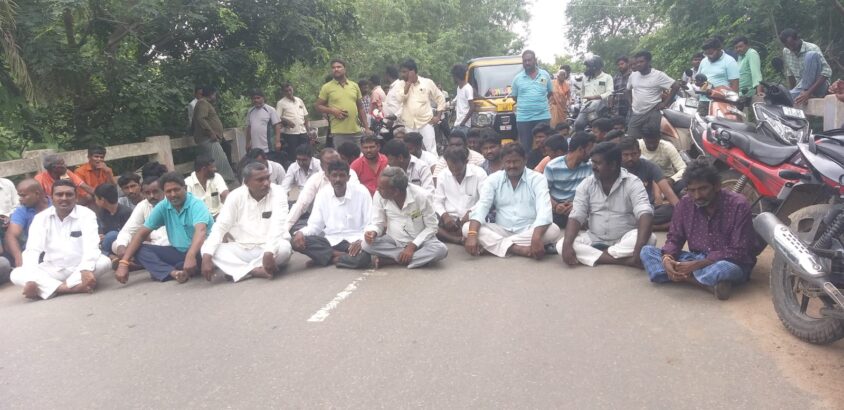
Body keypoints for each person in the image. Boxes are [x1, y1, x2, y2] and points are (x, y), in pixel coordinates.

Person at [640, 160, 757, 300]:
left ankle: (682, 276)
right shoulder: (684, 204)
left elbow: (739, 250)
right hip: (695, 258)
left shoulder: (738, 205)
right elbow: (674, 238)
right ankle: (703, 283)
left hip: (729, 262)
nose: (697, 196)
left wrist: (697, 265)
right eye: (691, 190)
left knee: (724, 270)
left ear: (717, 186)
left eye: (703, 189)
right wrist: (667, 258)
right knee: (647, 251)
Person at [10, 179, 111, 300]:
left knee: (104, 262)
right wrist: (31, 279)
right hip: (53, 269)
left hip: (79, 267)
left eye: (69, 194)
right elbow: (32, 250)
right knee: (16, 274)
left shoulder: (86, 214)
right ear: (52, 197)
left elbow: (92, 245)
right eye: (59, 194)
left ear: (76, 197)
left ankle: (50, 288)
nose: (64, 198)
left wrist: (85, 268)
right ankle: (71, 288)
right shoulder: (40, 218)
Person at [558, 142, 655, 267]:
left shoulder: (633, 183)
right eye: (592, 162)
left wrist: (639, 246)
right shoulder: (586, 184)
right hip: (594, 239)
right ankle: (624, 260)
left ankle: (595, 255)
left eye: (598, 163)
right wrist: (567, 245)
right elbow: (576, 216)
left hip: (624, 238)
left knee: (649, 239)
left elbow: (645, 213)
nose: (593, 167)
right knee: (561, 245)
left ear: (613, 165)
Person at [114, 172, 214, 284]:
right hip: (179, 252)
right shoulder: (163, 206)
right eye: (168, 191)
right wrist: (123, 263)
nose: (173, 194)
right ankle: (174, 273)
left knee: (202, 258)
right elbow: (141, 233)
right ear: (164, 192)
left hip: (202, 251)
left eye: (176, 190)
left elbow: (201, 231)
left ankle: (169, 269)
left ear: (185, 188)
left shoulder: (196, 204)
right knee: (139, 249)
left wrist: (191, 256)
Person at [463, 143, 558, 259]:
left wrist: (536, 237)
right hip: (501, 229)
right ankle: (518, 249)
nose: (512, 165)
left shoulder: (537, 179)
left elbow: (544, 210)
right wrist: (472, 235)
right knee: (467, 228)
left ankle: (494, 246)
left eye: (516, 161)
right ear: (502, 162)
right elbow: (482, 206)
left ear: (525, 160)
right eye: (508, 162)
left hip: (530, 230)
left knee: (553, 230)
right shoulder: (493, 179)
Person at [200, 162, 292, 282]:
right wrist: (207, 257)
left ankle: (237, 270)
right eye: (260, 180)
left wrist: (269, 251)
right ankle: (252, 271)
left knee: (285, 249)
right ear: (246, 182)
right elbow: (220, 227)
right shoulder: (235, 196)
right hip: (243, 248)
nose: (266, 183)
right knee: (207, 249)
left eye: (267, 178)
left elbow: (278, 225)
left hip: (271, 247)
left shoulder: (278, 192)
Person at [362, 167, 448, 268]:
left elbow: (432, 227)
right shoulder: (379, 195)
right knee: (366, 245)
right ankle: (410, 258)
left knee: (441, 250)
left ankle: (391, 260)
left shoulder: (422, 196)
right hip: (394, 240)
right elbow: (378, 222)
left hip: (421, 241)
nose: (377, 190)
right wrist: (373, 232)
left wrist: (413, 245)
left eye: (381, 188)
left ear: (396, 191)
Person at [293, 160, 373, 269]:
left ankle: (326, 258)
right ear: (328, 177)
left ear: (348, 178)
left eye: (342, 176)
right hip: (331, 241)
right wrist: (300, 233)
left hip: (354, 241)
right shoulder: (322, 194)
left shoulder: (361, 192)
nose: (338, 180)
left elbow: (370, 223)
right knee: (295, 240)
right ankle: (338, 256)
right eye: (334, 176)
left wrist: (362, 241)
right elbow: (315, 226)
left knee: (363, 258)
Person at [286, 148, 359, 232]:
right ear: (321, 165)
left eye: (336, 161)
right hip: (319, 221)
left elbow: (355, 200)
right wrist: (285, 230)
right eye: (329, 164)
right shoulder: (316, 178)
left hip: (346, 221)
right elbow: (301, 204)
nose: (334, 165)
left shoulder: (351, 174)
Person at [619, 137, 679, 227]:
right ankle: (654, 227)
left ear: (639, 152)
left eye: (633, 154)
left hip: (647, 209)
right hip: (623, 211)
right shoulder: (615, 168)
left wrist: (682, 212)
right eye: (626, 155)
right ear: (620, 155)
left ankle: (642, 225)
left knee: (672, 210)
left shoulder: (650, 166)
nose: (630, 158)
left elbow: (668, 192)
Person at [433, 146, 487, 244]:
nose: (454, 172)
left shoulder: (479, 173)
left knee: (473, 228)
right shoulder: (442, 175)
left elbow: (485, 200)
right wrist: (445, 216)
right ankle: (455, 239)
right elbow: (437, 202)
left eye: (458, 169)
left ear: (466, 162)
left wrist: (470, 213)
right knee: (428, 222)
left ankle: (451, 236)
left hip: (471, 219)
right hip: (448, 220)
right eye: (451, 168)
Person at [316, 59, 373, 148]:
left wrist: (367, 128)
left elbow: (360, 108)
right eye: (333, 67)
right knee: (343, 159)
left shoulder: (354, 85)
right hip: (339, 132)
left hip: (356, 131)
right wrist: (332, 110)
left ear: (345, 69)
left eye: (339, 67)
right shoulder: (327, 87)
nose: (336, 69)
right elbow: (318, 106)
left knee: (359, 159)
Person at [626, 51, 680, 138]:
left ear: (648, 62)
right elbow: (628, 90)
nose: (638, 64)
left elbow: (676, 85)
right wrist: (630, 103)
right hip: (637, 113)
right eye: (637, 62)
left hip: (652, 112)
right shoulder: (633, 75)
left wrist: (664, 103)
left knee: (652, 139)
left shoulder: (658, 75)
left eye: (641, 62)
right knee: (632, 138)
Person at [112, 176, 170, 258]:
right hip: (150, 244)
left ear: (163, 191)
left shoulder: (172, 202)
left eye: (155, 192)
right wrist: (121, 246)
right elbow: (127, 231)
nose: (152, 196)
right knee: (116, 245)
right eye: (147, 193)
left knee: (164, 244)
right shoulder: (143, 205)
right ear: (143, 193)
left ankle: (137, 263)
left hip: (168, 244)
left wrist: (149, 236)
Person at [544, 133, 593, 229]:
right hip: (557, 210)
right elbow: (543, 192)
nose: (592, 152)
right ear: (580, 149)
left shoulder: (590, 166)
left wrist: (576, 205)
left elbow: (592, 192)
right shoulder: (553, 166)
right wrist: (556, 206)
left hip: (579, 208)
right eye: (590, 149)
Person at [398, 59, 446, 154]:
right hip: (409, 125)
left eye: (404, 72)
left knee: (431, 151)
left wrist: (438, 117)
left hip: (426, 123)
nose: (402, 75)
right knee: (411, 151)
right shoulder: (400, 85)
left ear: (413, 71)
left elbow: (440, 98)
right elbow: (400, 99)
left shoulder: (427, 82)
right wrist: (408, 83)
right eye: (401, 72)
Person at [191, 85, 237, 185]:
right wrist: (210, 132)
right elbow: (201, 119)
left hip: (210, 138)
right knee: (219, 160)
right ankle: (225, 180)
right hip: (208, 138)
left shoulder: (205, 103)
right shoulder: (202, 103)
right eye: (215, 94)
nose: (215, 97)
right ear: (211, 94)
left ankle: (220, 181)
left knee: (216, 160)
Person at [511, 50, 553, 155]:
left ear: (535, 60)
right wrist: (528, 104)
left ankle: (545, 168)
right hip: (524, 119)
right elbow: (515, 97)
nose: (527, 63)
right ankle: (528, 169)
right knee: (525, 148)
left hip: (542, 116)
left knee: (546, 146)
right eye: (525, 61)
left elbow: (550, 92)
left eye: (529, 60)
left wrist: (538, 102)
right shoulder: (517, 79)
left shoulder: (545, 75)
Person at [780, 28, 833, 105]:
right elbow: (790, 74)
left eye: (793, 45)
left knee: (811, 55)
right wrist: (793, 92)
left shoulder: (812, 48)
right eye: (788, 46)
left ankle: (791, 95)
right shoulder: (786, 51)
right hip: (800, 90)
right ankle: (791, 95)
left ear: (798, 39)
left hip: (819, 88)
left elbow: (827, 72)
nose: (791, 48)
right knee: (786, 96)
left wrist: (808, 92)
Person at [4, 179, 50, 267]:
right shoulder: (21, 211)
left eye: (23, 196)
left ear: (37, 194)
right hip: (35, 252)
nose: (20, 200)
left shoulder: (55, 205)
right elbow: (11, 235)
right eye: (19, 196)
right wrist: (18, 258)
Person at [698, 38, 740, 115]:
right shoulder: (704, 61)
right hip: (704, 101)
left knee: (720, 126)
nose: (709, 56)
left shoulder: (729, 61)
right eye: (706, 54)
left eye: (711, 53)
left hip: (721, 102)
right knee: (701, 125)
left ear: (719, 49)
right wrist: (700, 83)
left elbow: (735, 86)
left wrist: (733, 104)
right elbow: (698, 78)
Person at [639, 125, 687, 193]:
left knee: (685, 182)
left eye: (655, 142)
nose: (651, 145)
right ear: (643, 139)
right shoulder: (638, 146)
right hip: (647, 182)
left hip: (667, 181)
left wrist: (672, 179)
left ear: (659, 138)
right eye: (648, 143)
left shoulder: (668, 147)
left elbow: (683, 169)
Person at [574, 55, 614, 131]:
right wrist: (584, 102)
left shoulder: (607, 77)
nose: (587, 68)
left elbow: (610, 92)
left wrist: (596, 97)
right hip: (586, 107)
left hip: (601, 108)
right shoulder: (585, 78)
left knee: (597, 126)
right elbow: (582, 93)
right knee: (578, 124)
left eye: (589, 66)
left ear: (596, 66)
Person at [275, 83, 311, 164]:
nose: (289, 92)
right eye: (286, 91)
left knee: (305, 153)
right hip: (290, 133)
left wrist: (308, 131)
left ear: (293, 89)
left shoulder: (299, 100)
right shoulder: (281, 103)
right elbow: (277, 117)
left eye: (290, 90)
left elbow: (305, 116)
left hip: (302, 132)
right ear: (283, 92)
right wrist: (286, 121)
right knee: (293, 155)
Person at [94, 184, 132, 256]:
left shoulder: (126, 212)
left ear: (102, 200)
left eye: (95, 198)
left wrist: (107, 237)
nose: (95, 201)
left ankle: (107, 255)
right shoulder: (101, 212)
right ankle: (109, 256)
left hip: (122, 244)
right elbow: (100, 231)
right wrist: (100, 236)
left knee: (112, 235)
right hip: (106, 244)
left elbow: (129, 233)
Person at [244, 88, 282, 156]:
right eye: (254, 98)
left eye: (258, 98)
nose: (256, 100)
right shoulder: (250, 111)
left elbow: (277, 126)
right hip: (254, 149)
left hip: (268, 147)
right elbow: (249, 128)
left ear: (263, 98)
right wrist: (247, 143)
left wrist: (278, 142)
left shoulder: (270, 110)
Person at [451, 63, 474, 133]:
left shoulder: (468, 88)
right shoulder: (459, 87)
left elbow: (472, 107)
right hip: (458, 124)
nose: (453, 79)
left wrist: (463, 123)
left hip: (464, 126)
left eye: (453, 76)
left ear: (457, 77)